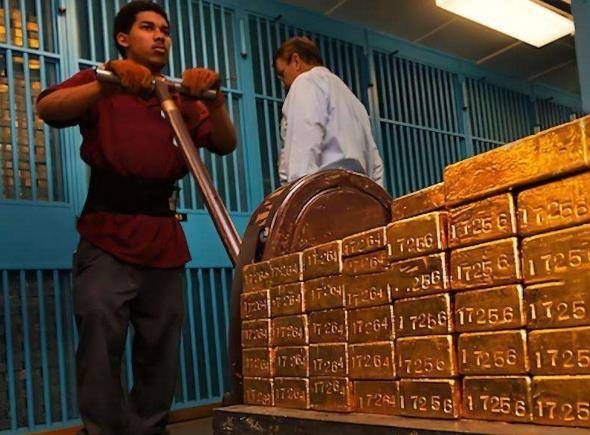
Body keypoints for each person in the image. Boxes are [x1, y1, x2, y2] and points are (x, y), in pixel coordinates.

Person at [35, 1, 237, 434]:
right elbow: (49, 108)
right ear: (124, 38)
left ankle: (149, 428)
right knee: (99, 344)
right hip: (107, 235)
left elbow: (225, 144)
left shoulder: (181, 97)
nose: (160, 35)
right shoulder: (102, 79)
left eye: (165, 29)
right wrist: (105, 84)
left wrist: (216, 101)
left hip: (163, 239)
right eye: (148, 27)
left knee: (160, 350)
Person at [273, 36, 385, 186]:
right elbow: (375, 164)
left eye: (282, 74)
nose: (284, 83)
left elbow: (303, 153)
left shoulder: (305, 82)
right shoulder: (354, 101)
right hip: (360, 192)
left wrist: (299, 193)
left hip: (324, 191)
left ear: (296, 61)